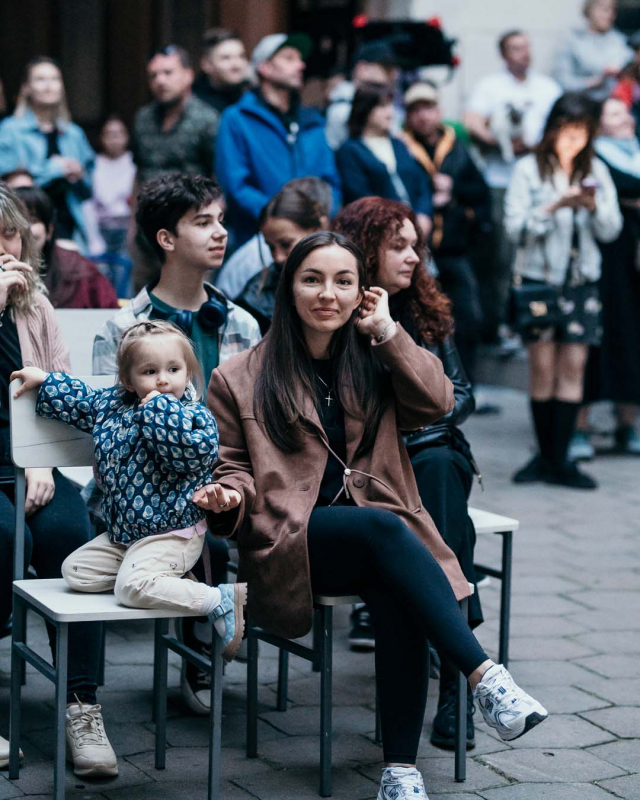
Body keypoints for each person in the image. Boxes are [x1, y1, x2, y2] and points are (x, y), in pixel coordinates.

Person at [193, 230, 548, 798]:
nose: (326, 294)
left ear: (363, 293)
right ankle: (484, 676)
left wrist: (388, 332)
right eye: (312, 279)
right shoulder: (238, 376)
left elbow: (438, 402)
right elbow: (230, 466)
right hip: (294, 541)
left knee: (398, 589)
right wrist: (229, 499)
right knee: (386, 528)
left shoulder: (374, 359)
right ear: (289, 289)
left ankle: (400, 773)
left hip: (377, 543)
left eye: (343, 281)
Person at [90, 173, 260, 714]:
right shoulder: (123, 329)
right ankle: (204, 654)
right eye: (203, 222)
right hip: (146, 495)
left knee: (236, 527)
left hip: (227, 481)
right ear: (166, 239)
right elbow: (108, 432)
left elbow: (254, 424)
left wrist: (229, 485)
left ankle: (213, 640)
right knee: (201, 544)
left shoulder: (240, 323)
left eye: (222, 221)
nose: (221, 233)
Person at [333, 197, 482, 750]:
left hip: (434, 449)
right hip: (371, 467)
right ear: (366, 249)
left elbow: (460, 394)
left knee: (440, 474)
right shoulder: (336, 315)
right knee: (446, 517)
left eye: (416, 245)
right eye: (399, 246)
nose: (414, 257)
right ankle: (464, 664)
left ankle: (453, 685)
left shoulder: (423, 312)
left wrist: (417, 406)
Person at [12, 321, 247, 662]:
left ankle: (218, 599)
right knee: (74, 571)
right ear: (127, 379)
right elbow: (83, 402)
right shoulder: (113, 406)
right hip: (126, 537)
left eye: (173, 369)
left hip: (174, 533)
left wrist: (157, 410)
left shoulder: (195, 417)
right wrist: (47, 382)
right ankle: (151, 575)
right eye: (150, 371)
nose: (163, 380)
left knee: (129, 587)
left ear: (188, 373)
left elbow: (188, 455)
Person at [0, 183, 114, 778]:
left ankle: (81, 704)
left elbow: (67, 400)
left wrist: (40, 460)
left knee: (76, 539)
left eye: (8, 234)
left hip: (31, 469)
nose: (2, 249)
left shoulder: (36, 308)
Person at [505, 93, 622, 490]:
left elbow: (612, 230)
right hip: (540, 280)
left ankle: (561, 460)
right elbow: (514, 228)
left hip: (581, 282)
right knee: (542, 369)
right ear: (552, 130)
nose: (573, 141)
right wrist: (553, 208)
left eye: (581, 133)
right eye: (566, 132)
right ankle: (546, 454)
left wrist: (591, 207)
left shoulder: (597, 170)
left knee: (573, 369)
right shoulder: (527, 170)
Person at [464, 31, 561, 344]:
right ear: (504, 54)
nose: (524, 53)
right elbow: (471, 120)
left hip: (542, 177)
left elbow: (563, 123)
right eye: (516, 48)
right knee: (502, 256)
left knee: (543, 251)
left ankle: (539, 321)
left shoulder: (546, 87)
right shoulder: (491, 86)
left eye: (527, 46)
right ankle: (500, 324)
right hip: (501, 181)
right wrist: (497, 141)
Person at [214, 33, 341, 249]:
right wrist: (284, 220)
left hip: (314, 241)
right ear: (265, 68)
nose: (300, 65)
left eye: (300, 59)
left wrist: (322, 215)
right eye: (289, 58)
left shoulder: (313, 122)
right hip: (258, 243)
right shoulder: (237, 119)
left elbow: (331, 182)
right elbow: (236, 187)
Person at [402, 81, 490, 383]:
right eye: (415, 110)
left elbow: (480, 193)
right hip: (417, 251)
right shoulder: (402, 149)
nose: (423, 116)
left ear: (438, 111)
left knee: (467, 317)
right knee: (418, 318)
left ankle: (465, 384)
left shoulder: (458, 149)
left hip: (454, 248)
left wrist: (454, 193)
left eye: (428, 108)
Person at [569, 98, 640, 459]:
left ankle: (627, 424)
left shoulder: (634, 151)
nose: (625, 118)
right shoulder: (594, 159)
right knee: (598, 338)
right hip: (606, 262)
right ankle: (578, 428)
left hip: (634, 264)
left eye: (624, 111)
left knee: (633, 339)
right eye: (613, 113)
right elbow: (624, 189)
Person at [130, 45, 221, 292]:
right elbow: (139, 171)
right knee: (143, 305)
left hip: (190, 231)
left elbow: (218, 179)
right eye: (153, 75)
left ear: (188, 75)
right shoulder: (143, 119)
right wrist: (132, 224)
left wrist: (209, 225)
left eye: (168, 73)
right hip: (147, 233)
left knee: (191, 302)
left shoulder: (207, 119)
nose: (160, 81)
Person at [0, 57, 94, 252]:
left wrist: (79, 175)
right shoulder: (9, 130)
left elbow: (89, 191)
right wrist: (55, 169)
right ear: (26, 87)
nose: (48, 85)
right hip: (26, 227)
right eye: (41, 79)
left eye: (54, 79)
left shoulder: (73, 134)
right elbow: (8, 188)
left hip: (70, 226)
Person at [235, 178, 331, 332]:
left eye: (286, 244)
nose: (277, 257)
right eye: (271, 247)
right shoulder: (253, 300)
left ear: (317, 230)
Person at [336, 84, 432, 237]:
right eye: (382, 106)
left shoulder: (400, 144)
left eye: (390, 105)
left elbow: (420, 182)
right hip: (379, 233)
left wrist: (424, 214)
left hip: (416, 230)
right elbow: (360, 196)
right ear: (365, 110)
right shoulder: (350, 150)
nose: (390, 112)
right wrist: (393, 222)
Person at [14, 185, 118, 309]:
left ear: (49, 231)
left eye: (32, 220)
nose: (25, 229)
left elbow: (109, 313)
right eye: (16, 223)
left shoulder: (78, 269)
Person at [85, 116, 136, 297]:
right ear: (101, 138)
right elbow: (89, 202)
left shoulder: (134, 164)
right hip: (100, 228)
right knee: (101, 277)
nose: (114, 139)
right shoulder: (93, 164)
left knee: (125, 276)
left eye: (119, 134)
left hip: (126, 229)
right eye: (109, 134)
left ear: (127, 137)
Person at [325, 40, 399, 151]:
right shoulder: (342, 106)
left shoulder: (388, 100)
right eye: (386, 69)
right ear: (362, 68)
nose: (393, 74)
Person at [554, 0, 632, 103]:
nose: (609, 14)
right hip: (582, 105)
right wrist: (593, 82)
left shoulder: (620, 41)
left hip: (614, 105)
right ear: (589, 10)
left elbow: (630, 70)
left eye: (613, 9)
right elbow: (562, 82)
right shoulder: (573, 40)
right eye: (603, 8)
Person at [193, 28, 250, 114]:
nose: (236, 65)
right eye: (226, 58)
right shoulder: (193, 104)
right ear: (206, 64)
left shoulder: (252, 96)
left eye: (241, 56)